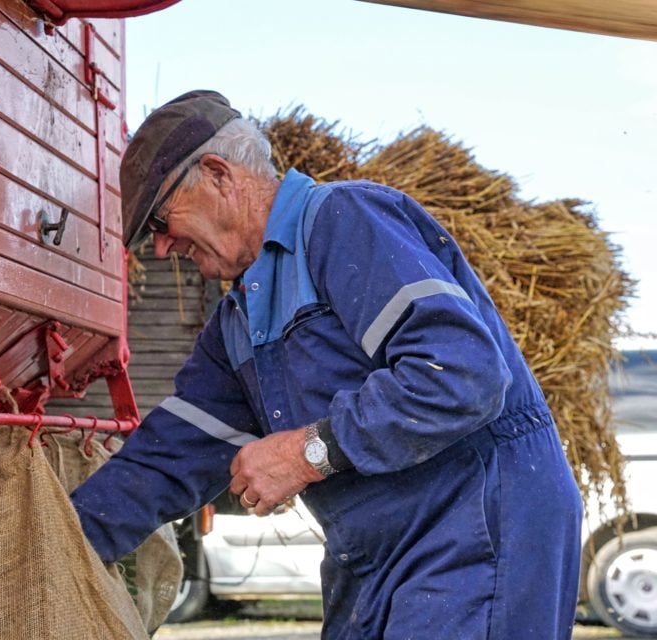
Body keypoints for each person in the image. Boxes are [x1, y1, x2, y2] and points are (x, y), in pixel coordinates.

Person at [70, 90, 583, 639]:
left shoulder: (341, 221)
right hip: (375, 552)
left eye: (160, 220)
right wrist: (60, 538)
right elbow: (168, 458)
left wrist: (308, 452)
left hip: (474, 529)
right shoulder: (237, 322)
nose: (162, 248)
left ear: (218, 175)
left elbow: (460, 374)